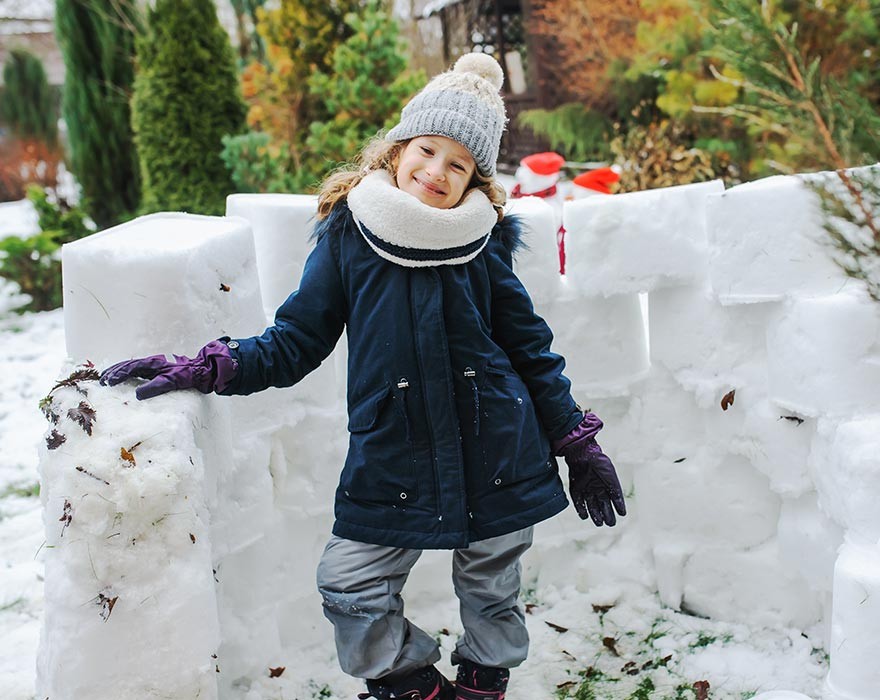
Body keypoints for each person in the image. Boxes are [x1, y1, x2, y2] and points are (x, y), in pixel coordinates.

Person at [99, 53, 627, 700]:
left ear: (475, 181)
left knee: (492, 587)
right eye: (427, 150)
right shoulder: (349, 234)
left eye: (457, 164)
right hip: (395, 453)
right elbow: (297, 340)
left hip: (498, 451)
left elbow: (530, 350)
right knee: (348, 582)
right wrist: (212, 366)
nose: (436, 171)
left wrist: (576, 442)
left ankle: (485, 682)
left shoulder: (484, 246)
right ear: (399, 148)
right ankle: (414, 685)